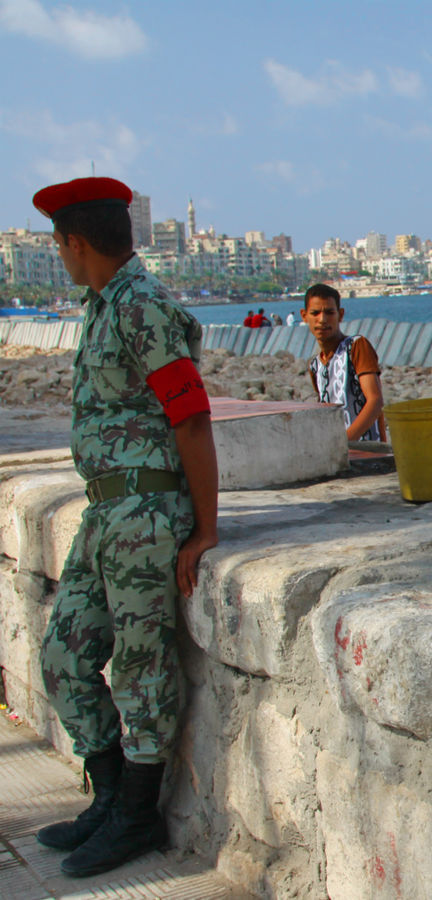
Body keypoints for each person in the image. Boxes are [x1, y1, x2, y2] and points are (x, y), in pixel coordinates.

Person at [31, 176, 218, 878]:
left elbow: (192, 417)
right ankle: (108, 797)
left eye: (60, 245)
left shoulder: (142, 307)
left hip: (146, 514)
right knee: (64, 656)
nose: (61, 256)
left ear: (77, 243)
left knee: (141, 669)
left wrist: (203, 529)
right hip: (106, 511)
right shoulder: (101, 303)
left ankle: (136, 815)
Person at [301, 282, 386, 441]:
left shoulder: (356, 346)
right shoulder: (315, 365)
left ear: (340, 314)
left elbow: (375, 402)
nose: (322, 319)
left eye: (329, 312)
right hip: (337, 452)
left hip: (365, 451)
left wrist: (345, 442)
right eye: (315, 313)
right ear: (304, 316)